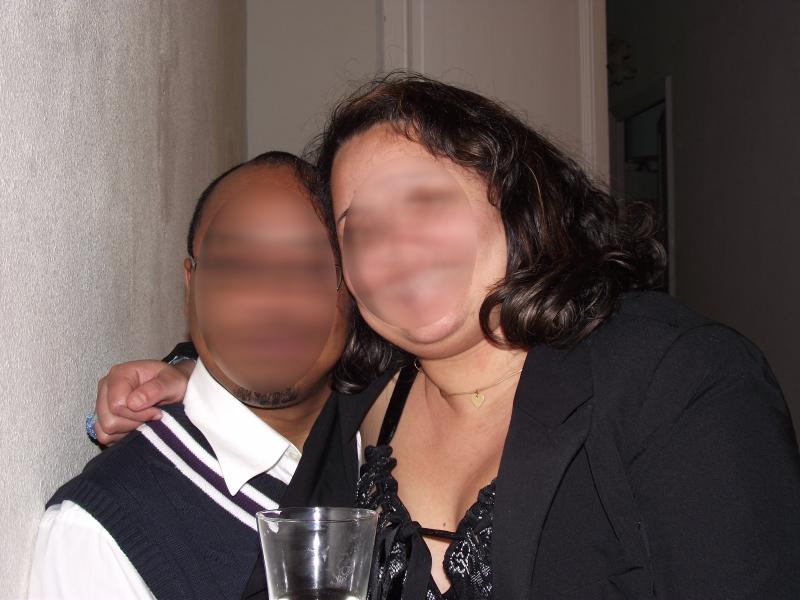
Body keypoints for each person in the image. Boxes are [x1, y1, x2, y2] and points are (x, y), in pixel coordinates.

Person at [95, 74, 800, 600]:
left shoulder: (678, 381)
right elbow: (280, 352)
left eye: (426, 201)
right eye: (362, 229)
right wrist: (193, 373)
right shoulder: (356, 412)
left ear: (515, 200)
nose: (397, 247)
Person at [27, 151, 352, 600]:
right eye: (235, 266)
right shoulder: (100, 536)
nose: (272, 299)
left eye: (309, 266)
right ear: (190, 286)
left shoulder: (390, 437)